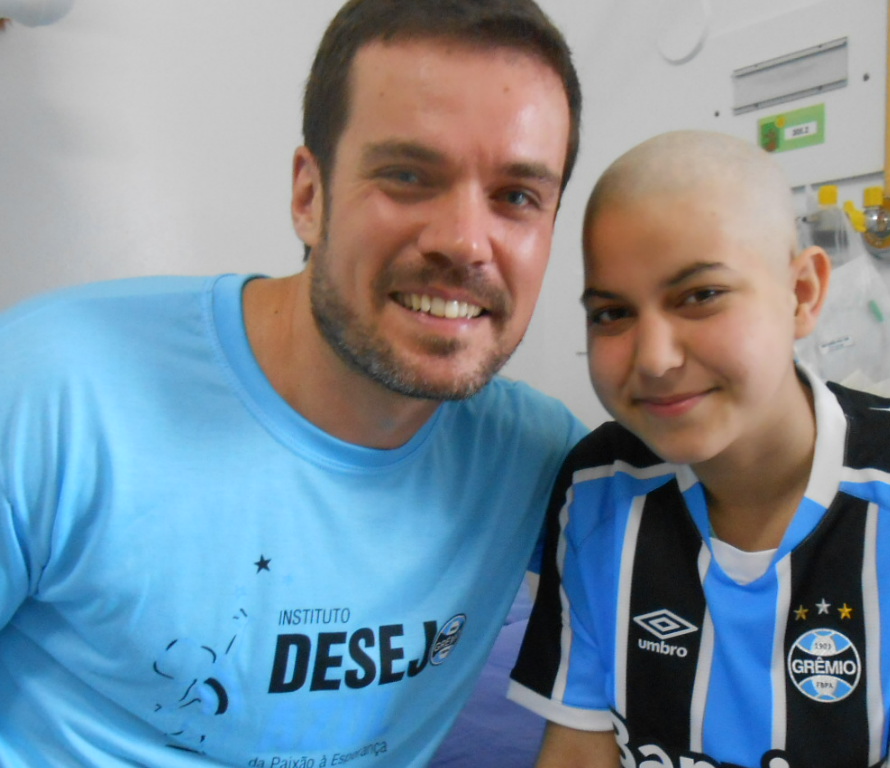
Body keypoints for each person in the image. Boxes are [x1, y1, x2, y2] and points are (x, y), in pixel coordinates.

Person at [0, 1, 588, 765]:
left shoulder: (539, 459)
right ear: (310, 196)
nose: (464, 244)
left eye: (516, 197)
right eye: (408, 176)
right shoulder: (52, 389)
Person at [508, 130, 890, 768]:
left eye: (700, 296)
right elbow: (579, 754)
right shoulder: (596, 488)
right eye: (612, 313)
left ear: (803, 293)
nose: (656, 358)